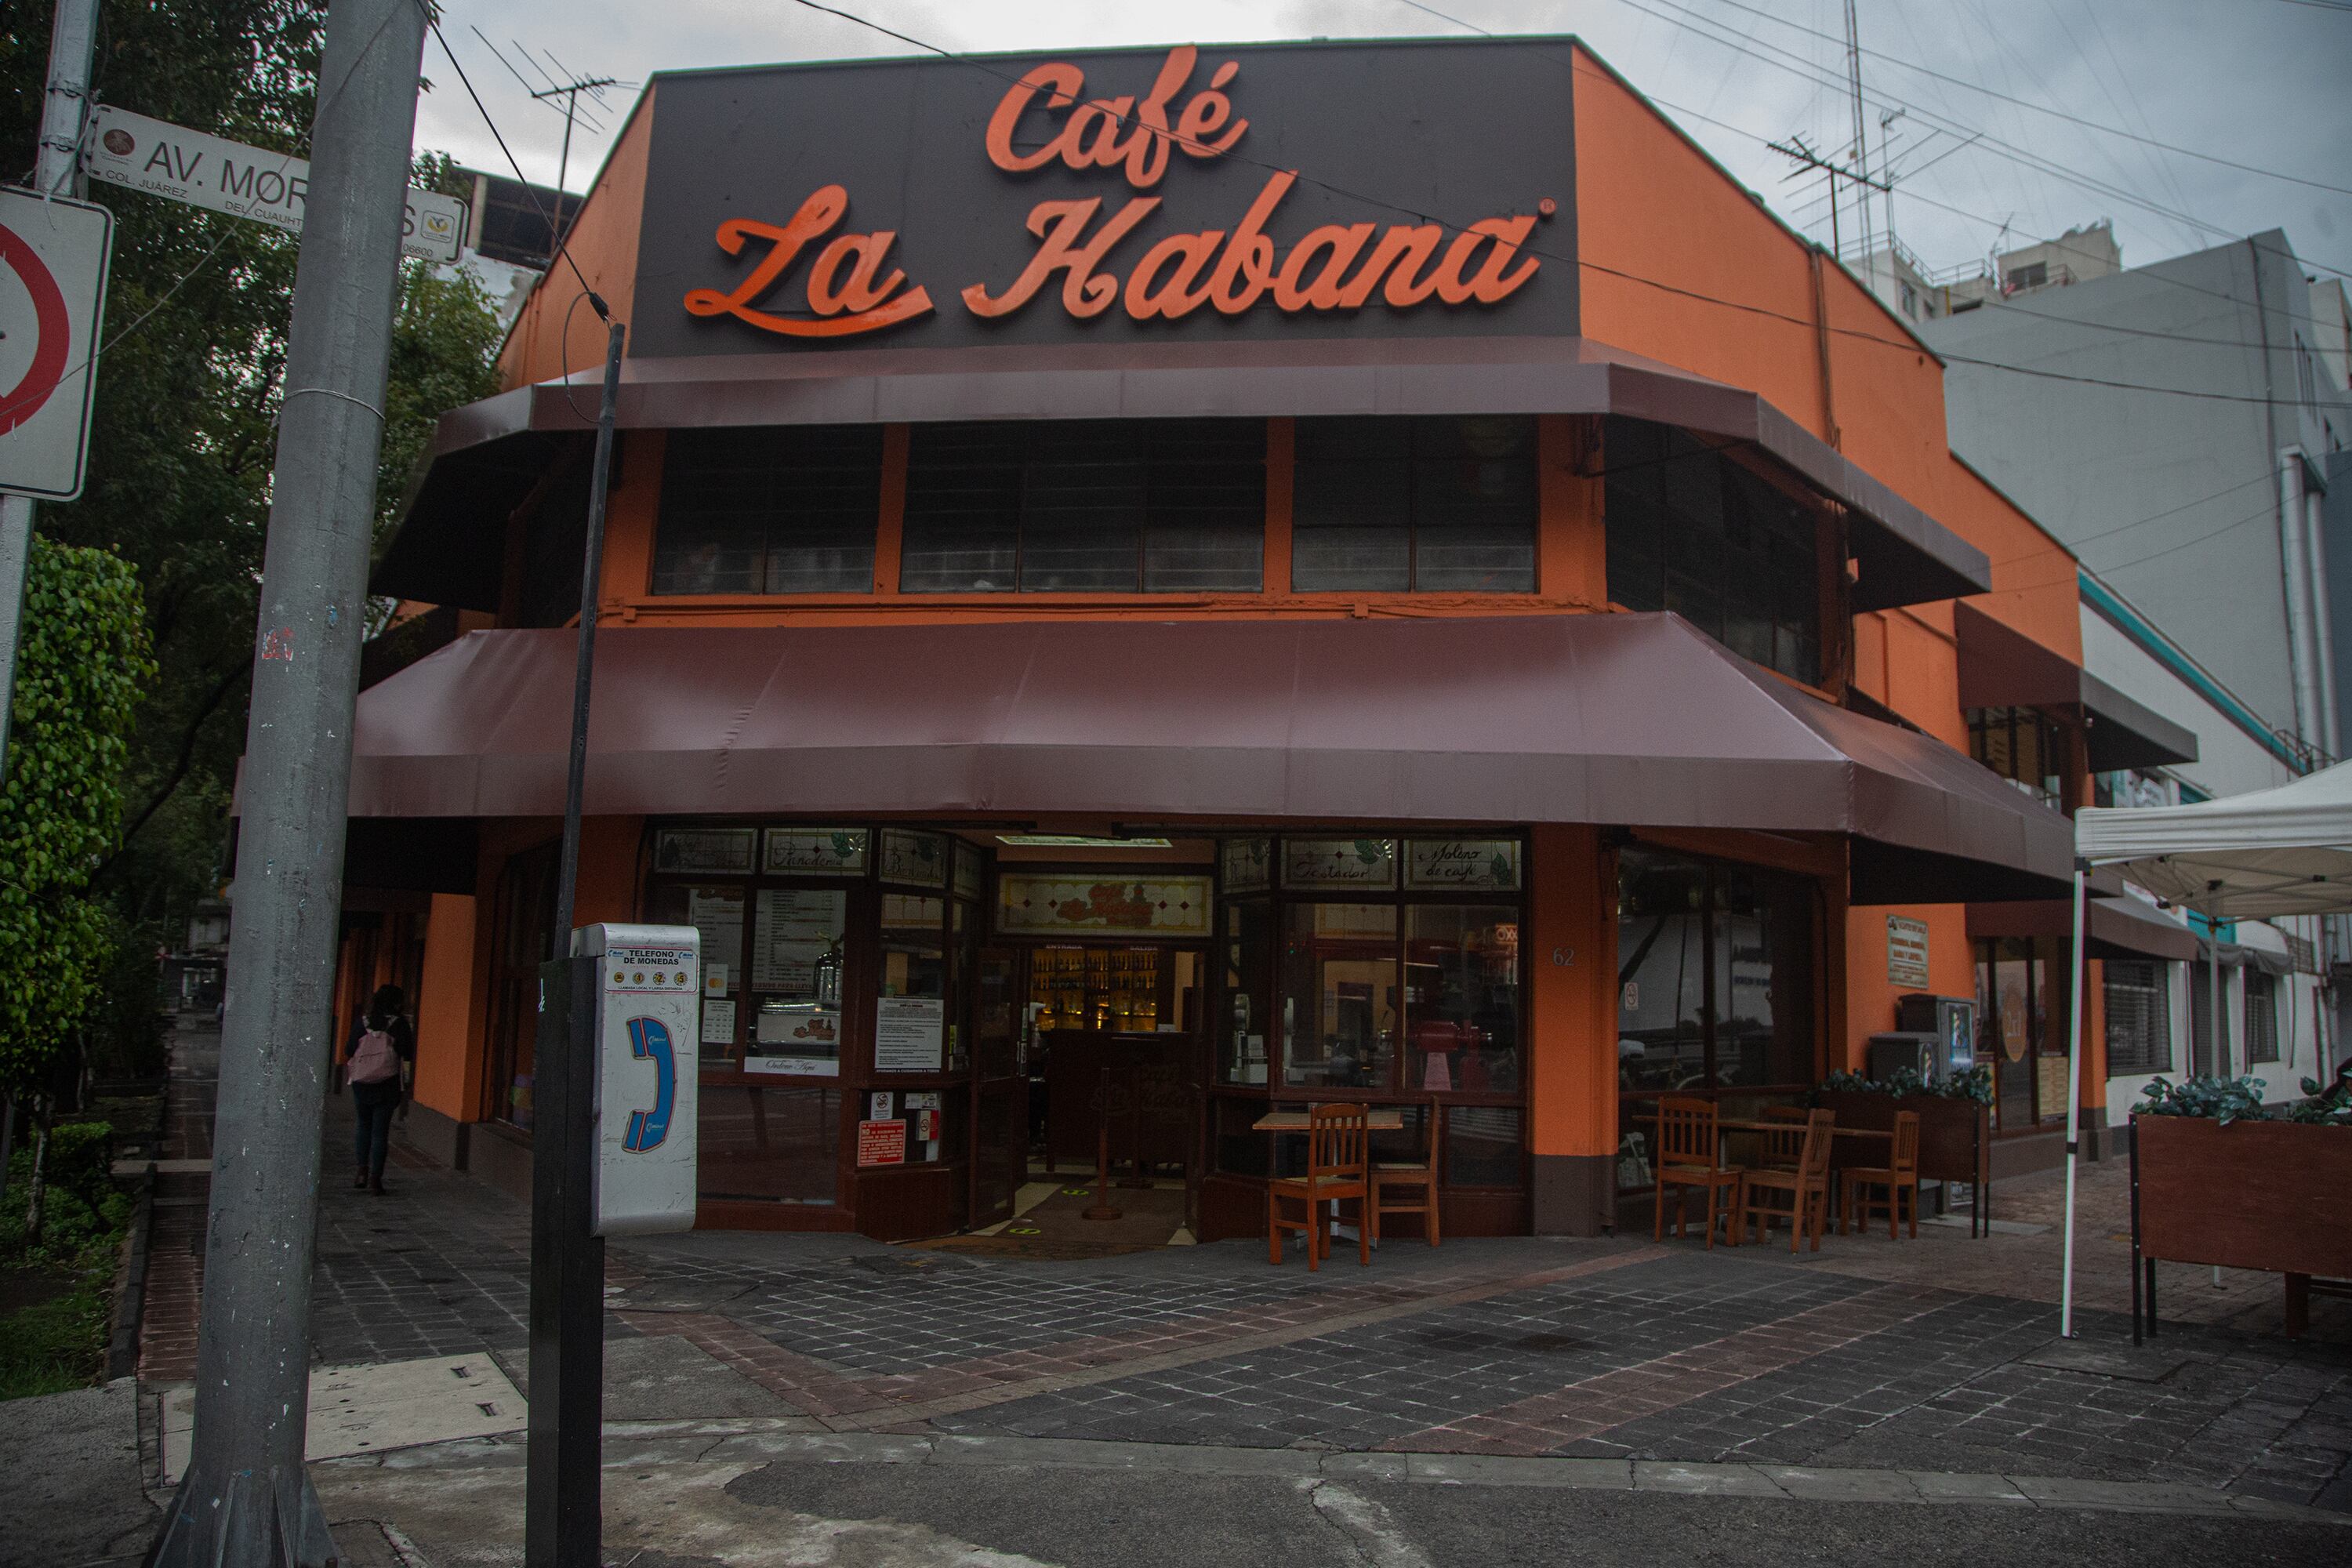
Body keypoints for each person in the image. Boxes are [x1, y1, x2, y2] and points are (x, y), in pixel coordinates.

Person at [343, 984, 416, 1196]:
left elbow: (349, 1049)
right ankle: (376, 1179)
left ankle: (361, 1171)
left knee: (363, 1125)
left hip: (362, 1082)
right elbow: (408, 1052)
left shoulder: (363, 1022)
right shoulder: (399, 1024)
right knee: (380, 1131)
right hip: (388, 1083)